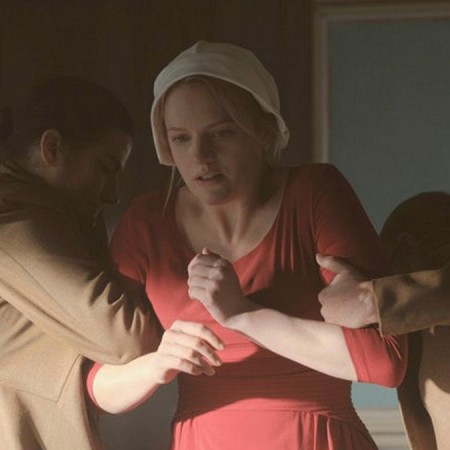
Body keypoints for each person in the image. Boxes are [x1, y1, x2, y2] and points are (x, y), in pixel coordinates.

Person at [87, 41, 407, 449]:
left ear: (265, 130)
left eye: (221, 133)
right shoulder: (147, 222)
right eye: (181, 138)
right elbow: (99, 388)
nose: (201, 156)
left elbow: (385, 362)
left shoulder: (315, 193)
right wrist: (157, 364)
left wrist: (242, 314)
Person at [0, 76, 221, 450]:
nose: (113, 194)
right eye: (104, 168)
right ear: (52, 148)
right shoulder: (13, 223)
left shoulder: (52, 216)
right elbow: (127, 338)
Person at [318, 192, 450, 450]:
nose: (381, 275)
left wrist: (369, 299)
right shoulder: (422, 330)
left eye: (382, 264)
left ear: (405, 247)